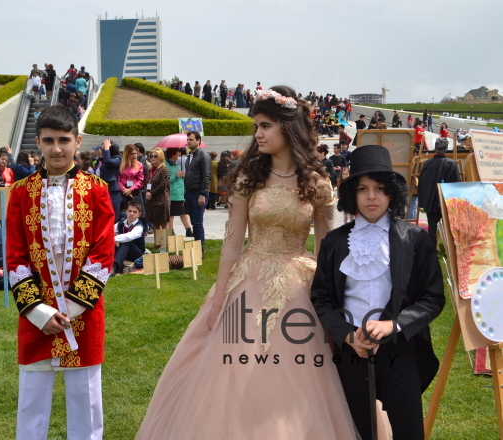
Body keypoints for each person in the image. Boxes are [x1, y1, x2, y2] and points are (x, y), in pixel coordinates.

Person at [136, 85, 366, 439]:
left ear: (288, 128)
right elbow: (230, 245)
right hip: (248, 280)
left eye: (265, 126)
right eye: (256, 126)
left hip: (299, 285)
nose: (257, 133)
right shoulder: (249, 178)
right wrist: (217, 301)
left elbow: (326, 249)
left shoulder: (318, 184)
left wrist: (330, 304)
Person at [311, 144, 446, 440]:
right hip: (352, 349)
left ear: (392, 194)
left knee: (409, 429)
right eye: (362, 189)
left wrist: (393, 324)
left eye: (380, 188)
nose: (371, 196)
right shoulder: (334, 243)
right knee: (358, 429)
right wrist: (347, 335)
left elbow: (433, 298)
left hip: (401, 348)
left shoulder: (414, 239)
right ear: (351, 195)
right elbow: (320, 297)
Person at [6, 105, 114, 440]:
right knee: (32, 401)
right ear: (37, 142)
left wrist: (72, 308)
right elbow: (15, 257)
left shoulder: (97, 190)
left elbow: (103, 252)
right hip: (35, 317)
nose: (57, 148)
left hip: (84, 314)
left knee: (86, 401)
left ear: (77, 141)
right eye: (49, 140)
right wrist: (39, 312)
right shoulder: (21, 193)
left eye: (64, 140)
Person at [418, 137, 461, 248]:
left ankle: (432, 249)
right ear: (446, 148)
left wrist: (423, 202)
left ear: (435, 148)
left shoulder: (428, 163)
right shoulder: (452, 164)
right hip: (446, 201)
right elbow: (456, 185)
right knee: (450, 227)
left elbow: (422, 184)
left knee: (432, 227)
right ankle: (451, 249)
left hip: (431, 202)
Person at [184, 131, 211, 254]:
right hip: (189, 193)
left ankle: (200, 250)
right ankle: (196, 247)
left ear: (199, 141)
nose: (188, 141)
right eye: (188, 139)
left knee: (197, 223)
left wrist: (202, 194)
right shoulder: (190, 156)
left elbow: (206, 176)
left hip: (198, 193)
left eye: (191, 139)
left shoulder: (203, 155)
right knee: (194, 221)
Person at [164, 148, 193, 236]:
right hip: (172, 193)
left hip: (180, 193)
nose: (179, 154)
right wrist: (176, 176)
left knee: (184, 212)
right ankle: (171, 231)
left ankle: (188, 230)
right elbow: (165, 179)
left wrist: (182, 175)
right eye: (177, 153)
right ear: (173, 154)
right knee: (171, 214)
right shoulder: (166, 165)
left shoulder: (177, 163)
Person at [113, 201, 145, 275]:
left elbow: (129, 236)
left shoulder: (139, 226)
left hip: (136, 254)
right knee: (108, 244)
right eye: (130, 211)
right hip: (123, 251)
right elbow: (110, 231)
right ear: (126, 211)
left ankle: (115, 266)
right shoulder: (121, 223)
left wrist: (111, 238)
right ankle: (122, 266)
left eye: (135, 212)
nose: (132, 214)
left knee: (127, 242)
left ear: (139, 214)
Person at [144, 148, 170, 231]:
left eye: (156, 156)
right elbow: (145, 183)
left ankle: (164, 243)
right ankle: (157, 243)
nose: (153, 158)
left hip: (161, 200)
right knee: (155, 223)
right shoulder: (150, 170)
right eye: (151, 156)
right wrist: (146, 192)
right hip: (151, 201)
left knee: (163, 223)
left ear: (161, 157)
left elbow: (163, 185)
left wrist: (151, 193)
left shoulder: (164, 169)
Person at [99, 139, 123, 220]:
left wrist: (106, 149)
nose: (101, 151)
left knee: (114, 216)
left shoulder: (117, 159)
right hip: (104, 190)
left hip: (113, 191)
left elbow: (109, 161)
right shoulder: (103, 162)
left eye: (103, 150)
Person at [118, 144, 144, 212]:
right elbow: (118, 179)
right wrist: (124, 190)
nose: (134, 156)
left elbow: (140, 180)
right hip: (123, 191)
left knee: (136, 212)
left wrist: (131, 189)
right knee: (124, 213)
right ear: (127, 154)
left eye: (136, 153)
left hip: (135, 190)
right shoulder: (120, 164)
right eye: (132, 154)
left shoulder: (139, 164)